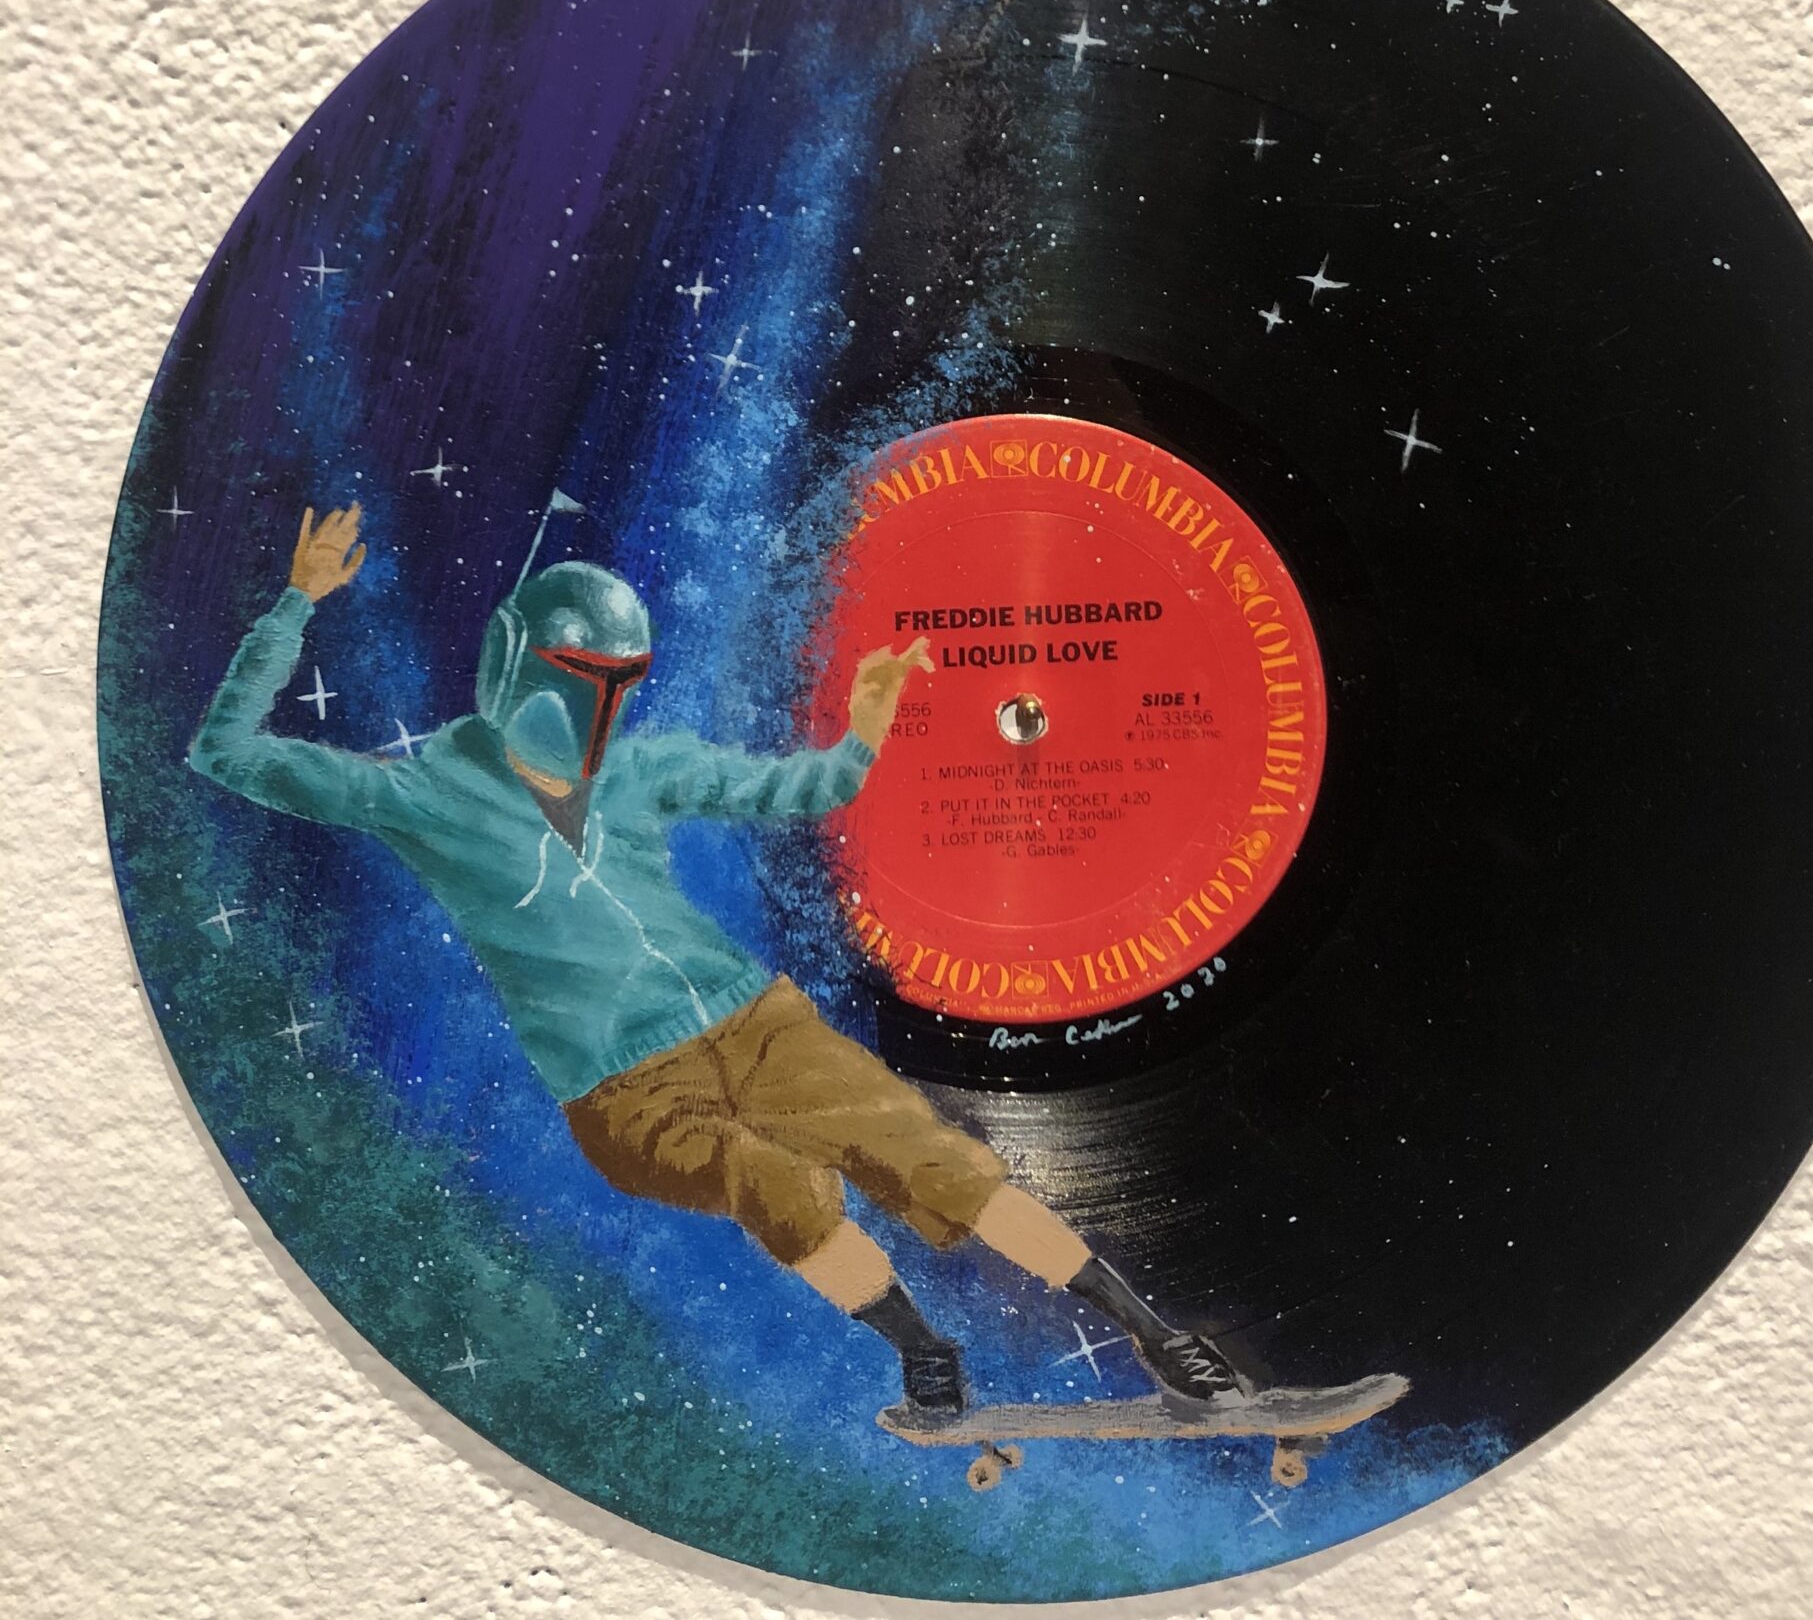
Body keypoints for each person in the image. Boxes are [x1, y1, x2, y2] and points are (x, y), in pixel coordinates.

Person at [191, 502, 1251, 1419]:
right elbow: (224, 752)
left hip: (756, 1023)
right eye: (583, 677)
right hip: (622, 1087)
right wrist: (296, 603)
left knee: (926, 1154)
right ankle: (921, 1347)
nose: (603, 705)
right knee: (774, 1184)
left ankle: (1154, 1335)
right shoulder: (422, 796)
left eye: (621, 681)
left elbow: (804, 788)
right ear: (520, 666)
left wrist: (865, 734)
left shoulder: (645, 768)